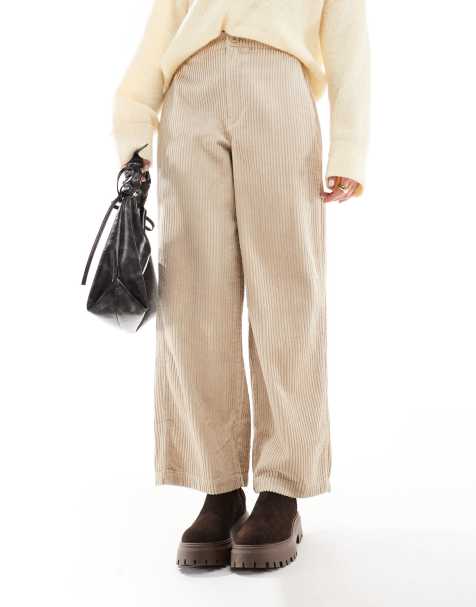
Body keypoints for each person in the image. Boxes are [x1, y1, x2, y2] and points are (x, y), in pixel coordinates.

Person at [112, 0, 370, 570]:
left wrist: (349, 146)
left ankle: (283, 486)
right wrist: (133, 122)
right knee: (193, 301)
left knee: (287, 296)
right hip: (189, 93)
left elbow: (348, 33)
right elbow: (166, 20)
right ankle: (218, 484)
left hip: (278, 85)